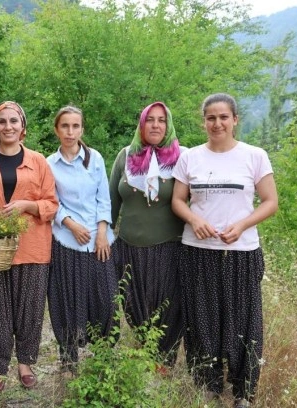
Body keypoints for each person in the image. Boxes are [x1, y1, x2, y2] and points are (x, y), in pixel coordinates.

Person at [171, 93, 278, 408]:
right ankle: (208, 386)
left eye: (223, 117)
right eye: (211, 118)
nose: (217, 123)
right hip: (197, 251)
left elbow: (270, 202)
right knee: (201, 319)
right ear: (203, 121)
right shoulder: (190, 157)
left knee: (245, 321)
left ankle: (243, 392)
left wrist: (242, 225)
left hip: (241, 252)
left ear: (235, 120)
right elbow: (177, 200)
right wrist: (194, 219)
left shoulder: (254, 156)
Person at [0, 101, 58, 393]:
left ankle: (26, 363)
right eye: (2, 121)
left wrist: (27, 205)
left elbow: (51, 204)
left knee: (30, 309)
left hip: (32, 247)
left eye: (14, 121)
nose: (8, 126)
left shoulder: (38, 161)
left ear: (23, 127)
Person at [108, 101, 186, 369]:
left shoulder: (182, 158)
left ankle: (164, 364)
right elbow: (111, 203)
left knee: (168, 309)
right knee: (135, 307)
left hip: (169, 249)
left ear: (168, 125)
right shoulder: (125, 156)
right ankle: (145, 359)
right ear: (141, 124)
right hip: (128, 249)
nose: (155, 125)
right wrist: (103, 236)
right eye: (150, 120)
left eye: (161, 120)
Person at [46, 106, 117, 378]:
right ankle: (68, 360)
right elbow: (52, 201)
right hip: (66, 240)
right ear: (57, 130)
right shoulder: (49, 164)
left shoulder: (95, 158)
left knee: (106, 299)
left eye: (75, 126)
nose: (70, 132)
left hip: (99, 241)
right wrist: (70, 224)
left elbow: (104, 198)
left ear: (82, 129)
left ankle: (104, 357)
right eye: (65, 126)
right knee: (68, 301)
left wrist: (102, 232)